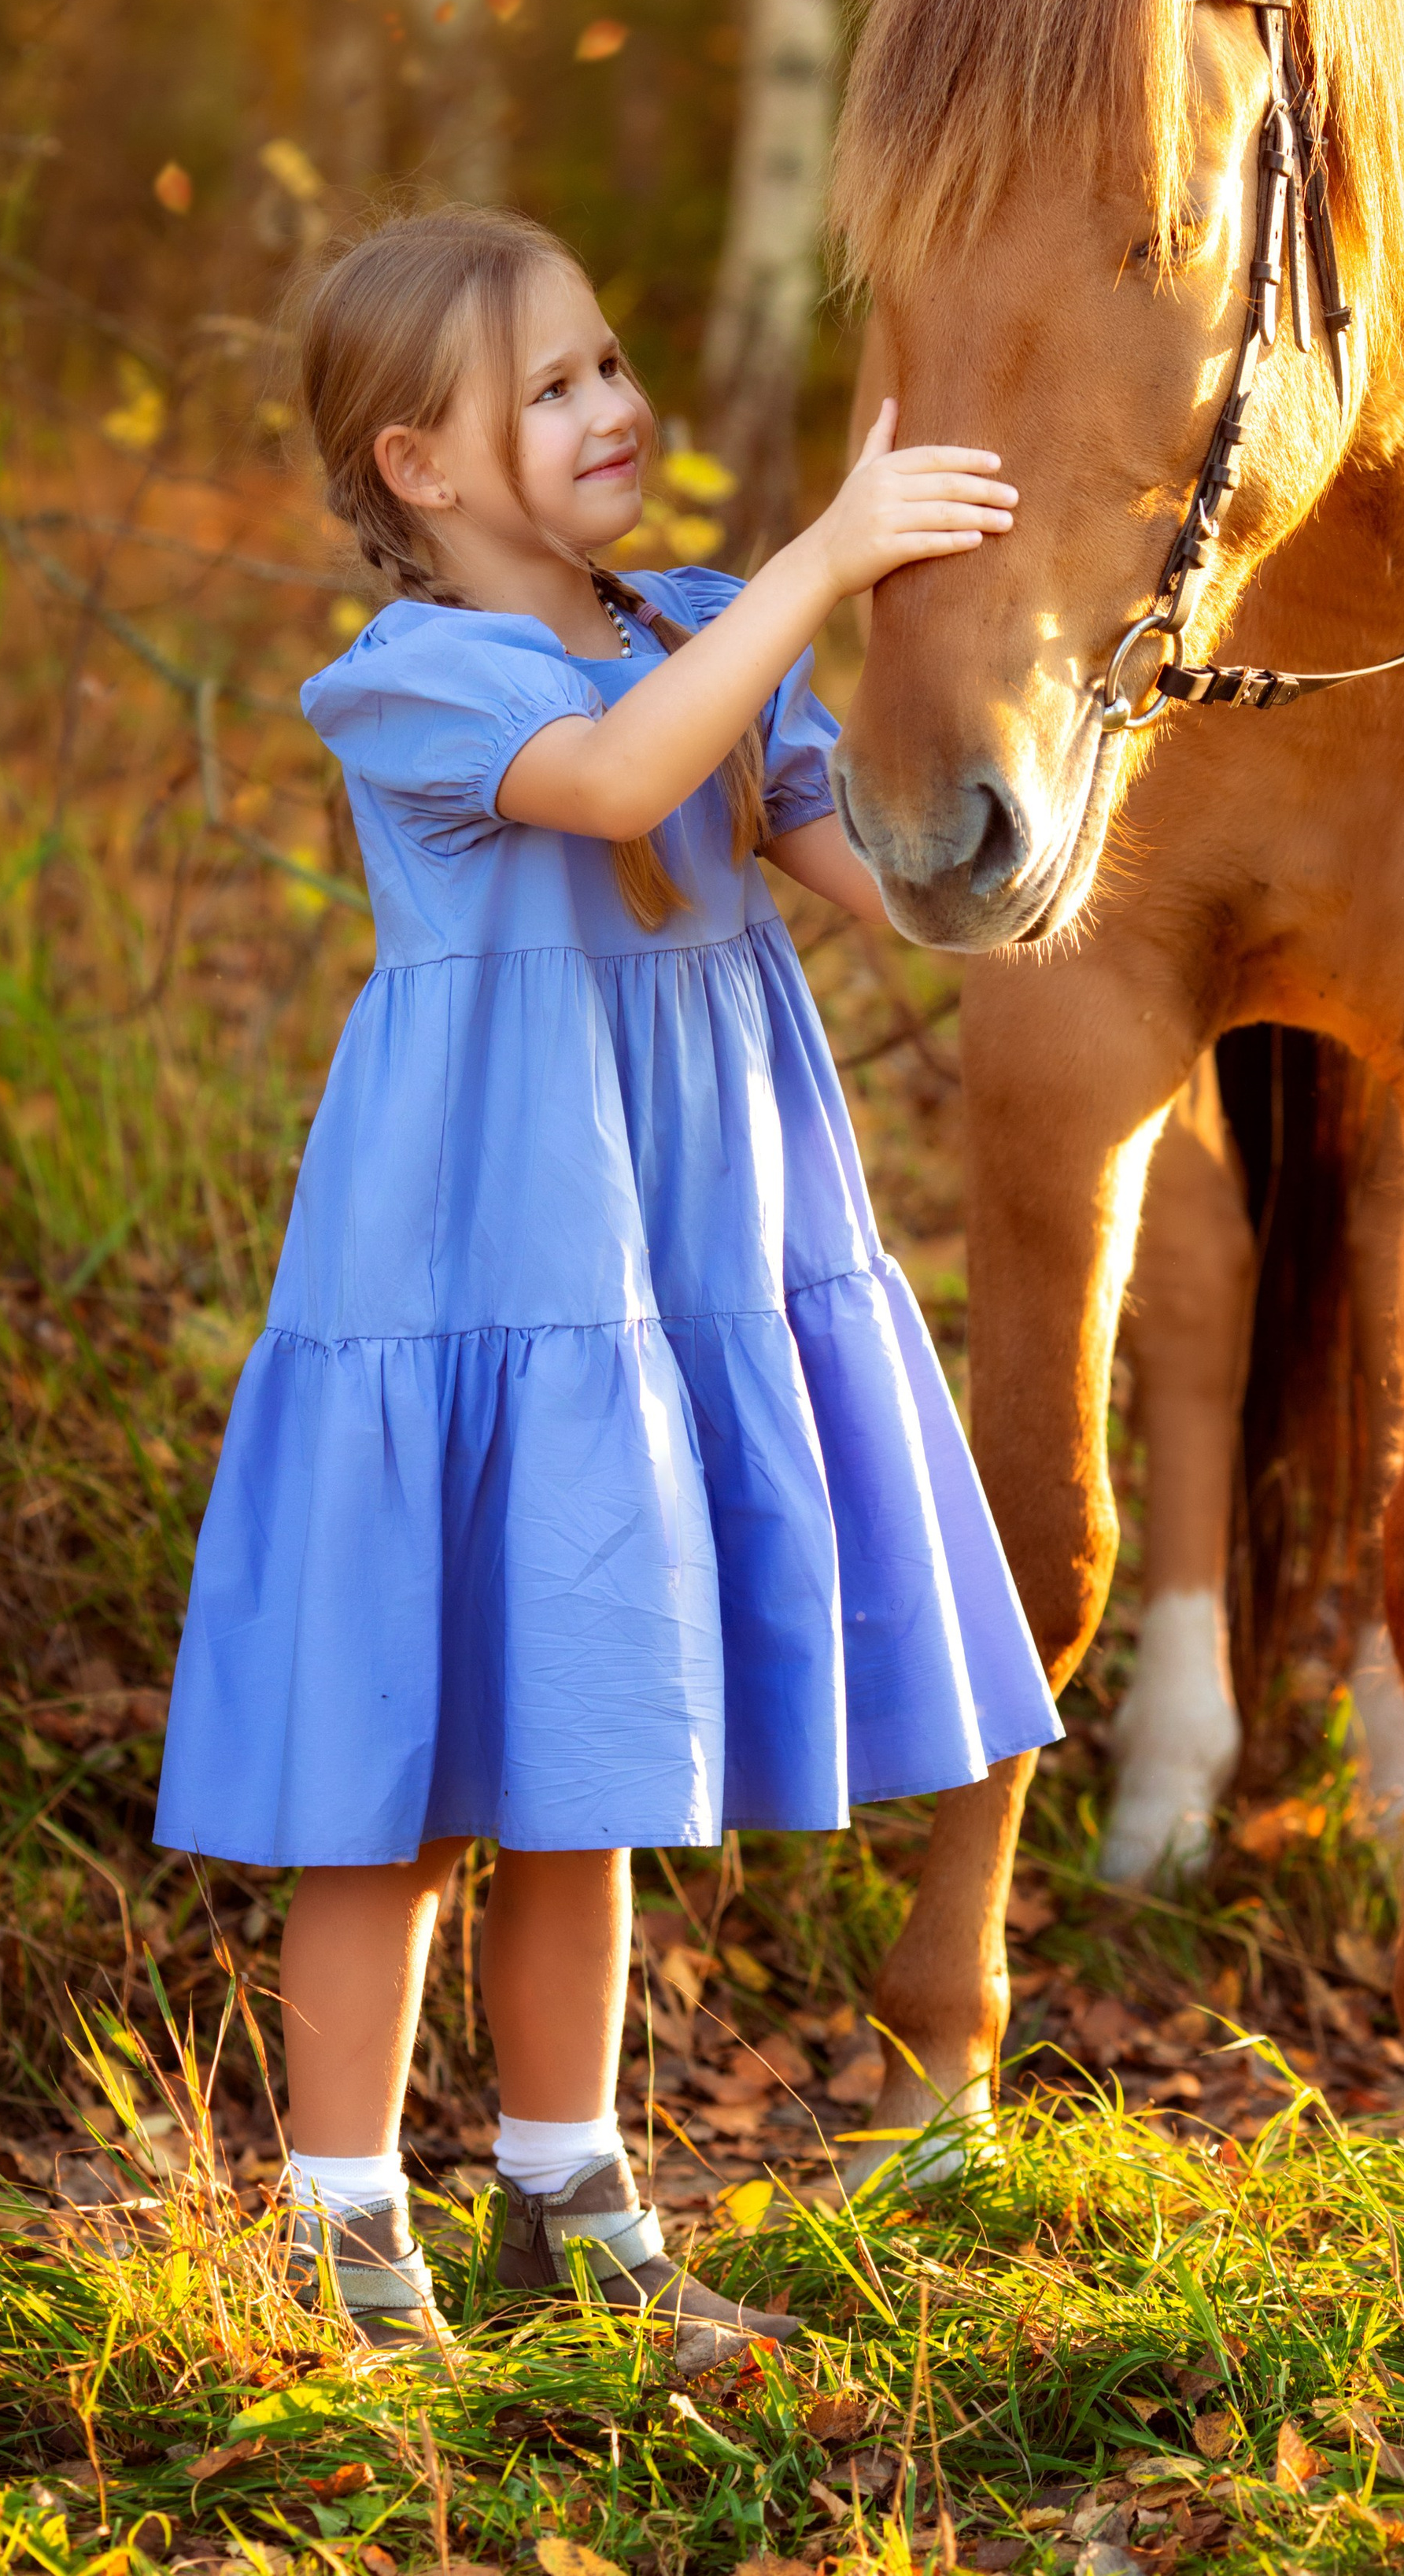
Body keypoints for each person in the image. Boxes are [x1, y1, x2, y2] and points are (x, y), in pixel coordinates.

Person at [154, 205, 1062, 2356]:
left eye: (609, 362)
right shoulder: (414, 681)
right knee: (393, 1786)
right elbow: (630, 776)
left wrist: (1038, 780)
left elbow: (890, 881)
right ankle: (344, 2236)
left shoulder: (705, 622)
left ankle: (570, 2197)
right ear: (418, 466)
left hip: (674, 1259)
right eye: (547, 388)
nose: (609, 407)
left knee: (585, 1746)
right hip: (477, 1268)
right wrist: (824, 567)